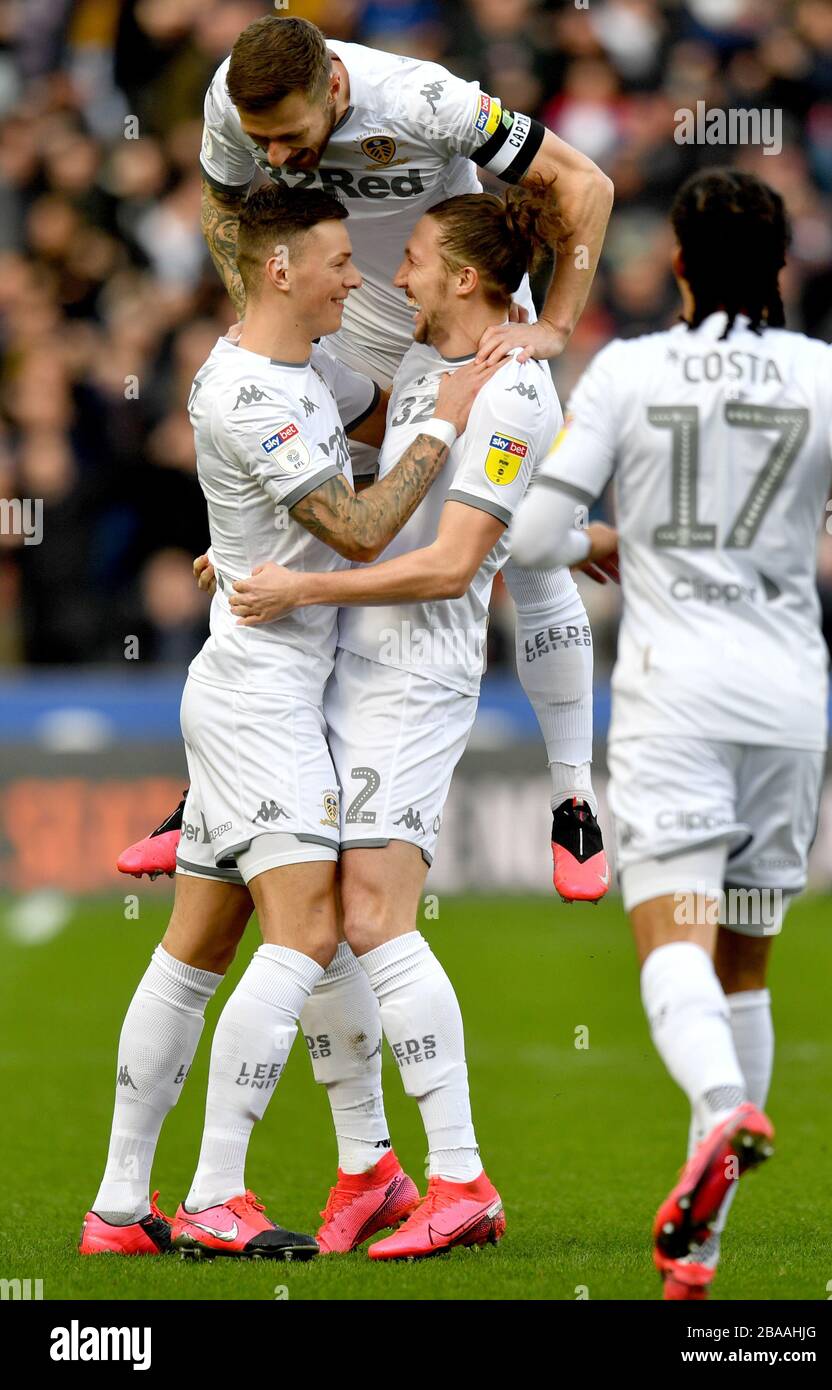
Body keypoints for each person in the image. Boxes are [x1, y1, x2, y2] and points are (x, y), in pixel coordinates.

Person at [79, 184, 491, 1260]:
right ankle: (216, 1191)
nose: (355, 278)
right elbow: (358, 529)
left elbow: (376, 420)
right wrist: (451, 423)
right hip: (261, 697)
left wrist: (478, 379)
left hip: (265, 685)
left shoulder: (311, 368)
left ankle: (119, 1209)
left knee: (197, 948)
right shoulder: (245, 395)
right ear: (279, 268)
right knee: (307, 933)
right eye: (338, 261)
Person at [118, 11, 615, 900]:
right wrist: (265, 318)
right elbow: (229, 211)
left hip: (455, 306)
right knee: (283, 540)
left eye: (292, 138)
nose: (276, 157)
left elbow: (585, 184)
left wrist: (556, 326)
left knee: (530, 554)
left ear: (336, 89)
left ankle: (573, 799)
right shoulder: (231, 102)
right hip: (348, 316)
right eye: (263, 143)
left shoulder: (424, 101)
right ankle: (211, 793)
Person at [509, 167, 832, 1299]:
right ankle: (695, 1252)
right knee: (744, 962)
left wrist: (602, 542)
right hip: (789, 704)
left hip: (676, 700)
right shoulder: (830, 372)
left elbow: (531, 537)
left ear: (673, 265)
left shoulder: (628, 369)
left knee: (672, 936)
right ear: (784, 267)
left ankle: (720, 1110)